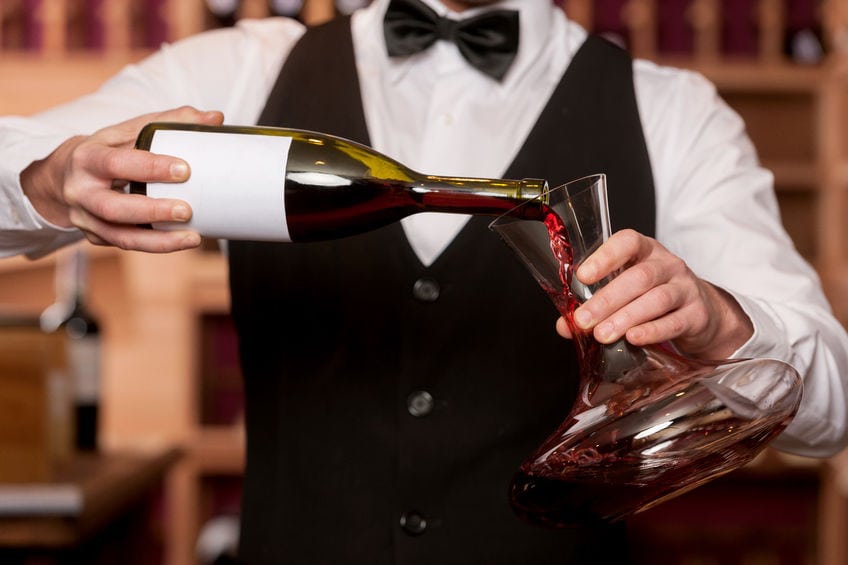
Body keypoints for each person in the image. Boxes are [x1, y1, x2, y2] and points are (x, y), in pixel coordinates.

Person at [2, 0, 847, 562]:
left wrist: (724, 324)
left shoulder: (673, 111)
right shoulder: (239, 75)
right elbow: (23, 168)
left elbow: (831, 405)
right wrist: (45, 184)